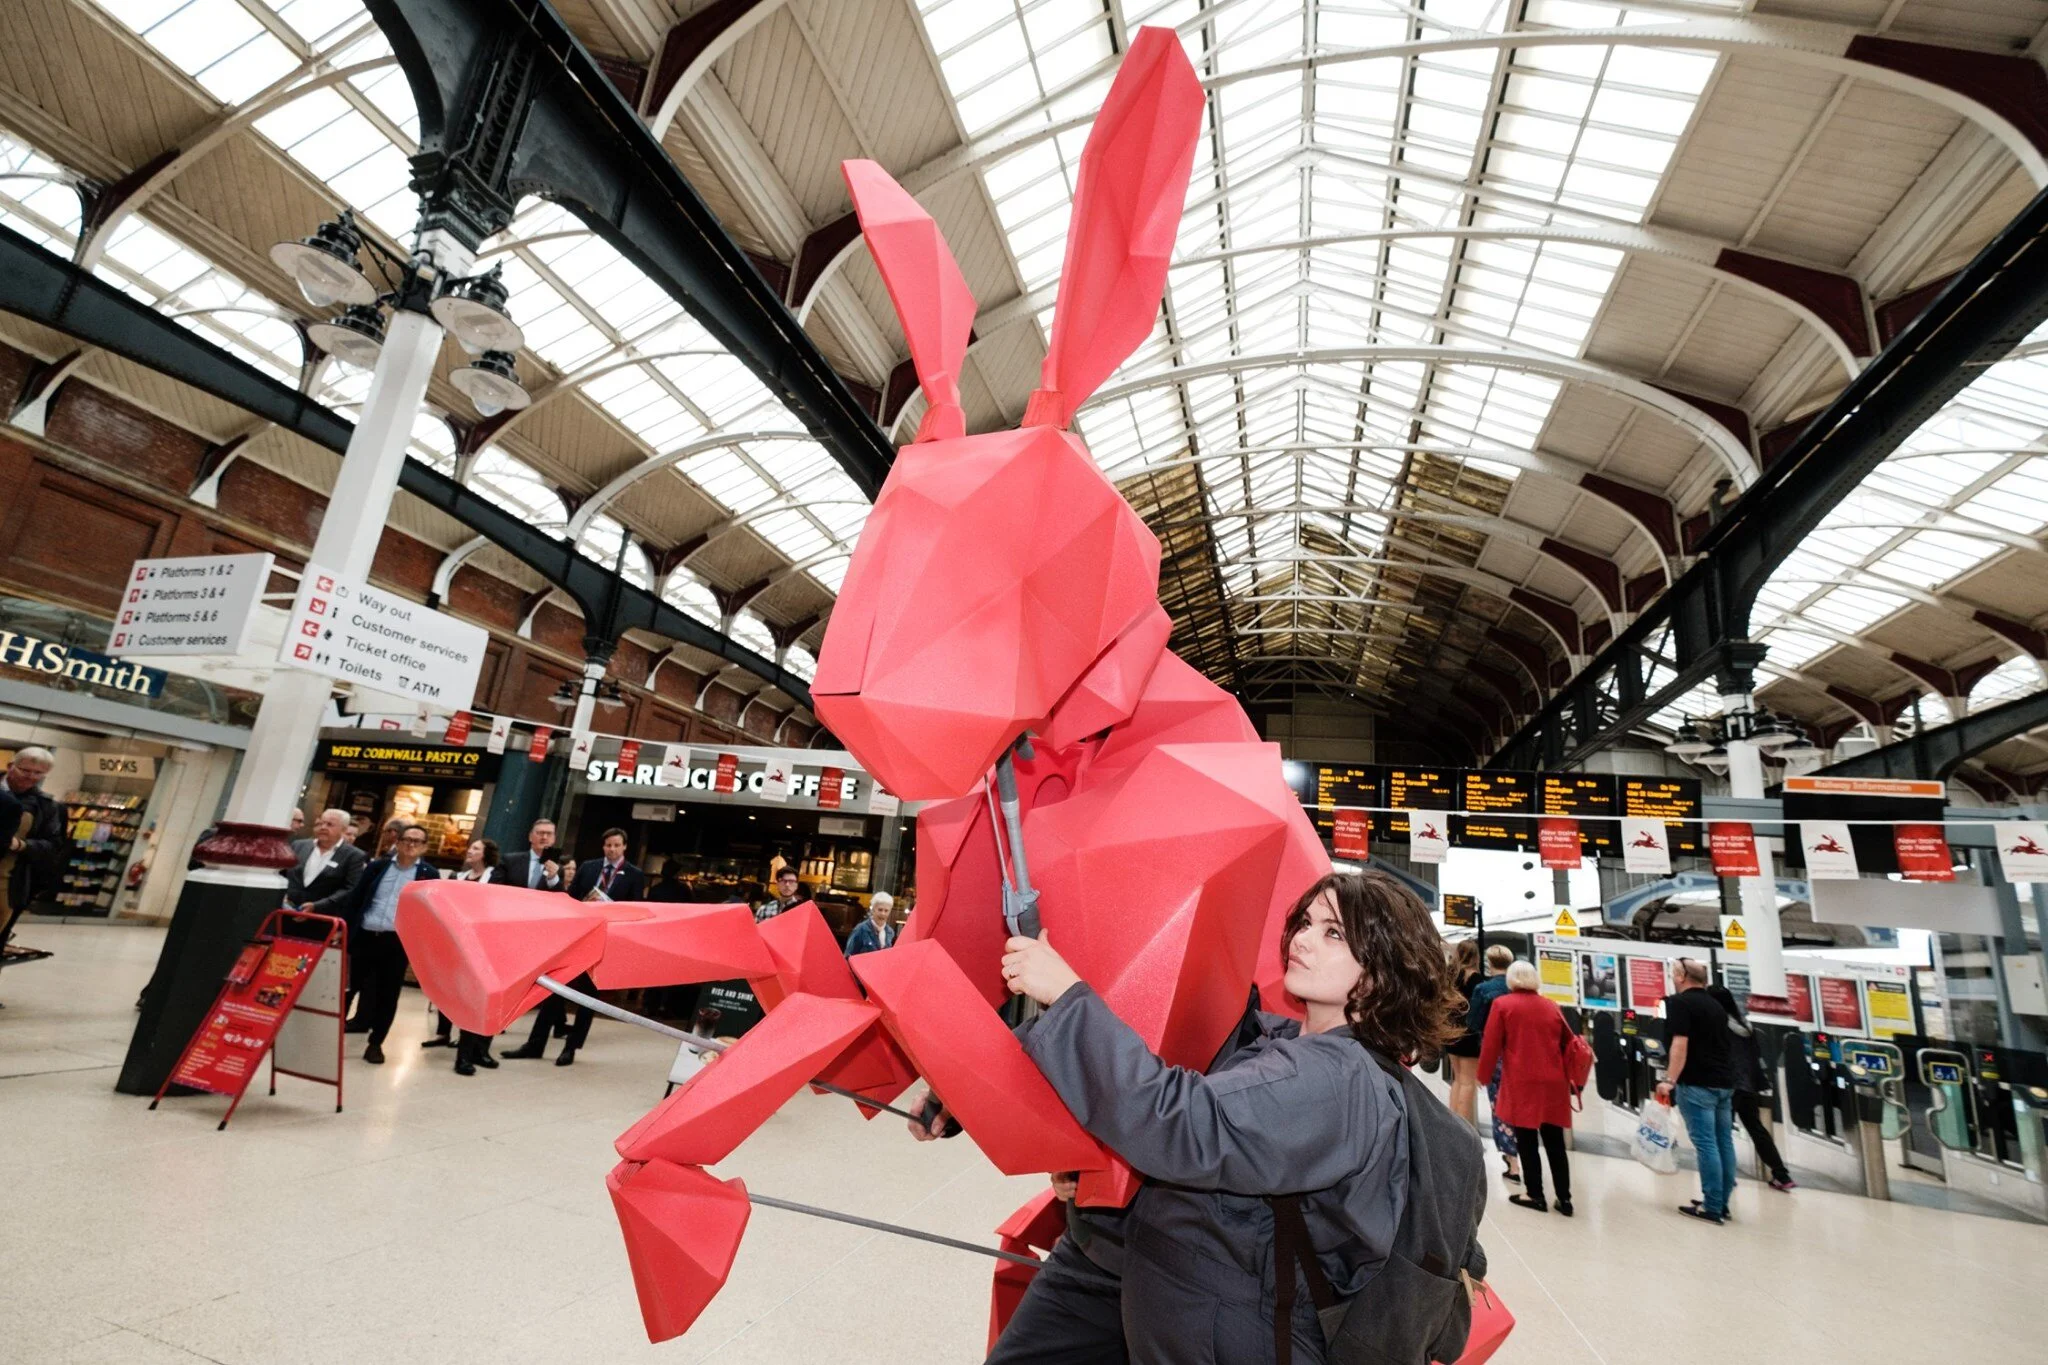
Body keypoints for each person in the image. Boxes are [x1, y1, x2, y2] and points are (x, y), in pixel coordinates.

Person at [990, 869, 1463, 1365]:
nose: (1302, 939)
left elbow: (1182, 1123)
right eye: (1306, 922)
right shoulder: (1290, 1041)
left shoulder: (1335, 1081)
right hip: (1169, 1296)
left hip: (1230, 1332)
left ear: (1382, 971)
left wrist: (1066, 998)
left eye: (1334, 933)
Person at [508, 829, 641, 1066]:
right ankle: (535, 1044)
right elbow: (571, 897)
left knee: (588, 996)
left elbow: (635, 908)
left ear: (624, 847)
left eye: (616, 845)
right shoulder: (589, 867)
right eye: (608, 845)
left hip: (606, 940)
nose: (612, 849)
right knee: (555, 991)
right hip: (579, 937)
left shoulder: (633, 874)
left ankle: (571, 1047)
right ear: (603, 846)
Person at [1477, 961, 1575, 1216]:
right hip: (1554, 1082)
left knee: (1527, 1139)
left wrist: (1484, 1075)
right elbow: (1568, 1042)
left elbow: (1491, 1044)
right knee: (1555, 1142)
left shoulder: (1504, 1005)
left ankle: (1535, 1193)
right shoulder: (1551, 1006)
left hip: (1523, 1081)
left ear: (1511, 980)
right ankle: (1564, 1199)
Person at [343, 823, 440, 1064]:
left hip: (396, 943)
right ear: (397, 842)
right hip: (365, 936)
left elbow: (430, 912)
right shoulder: (377, 867)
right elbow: (357, 899)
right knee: (347, 989)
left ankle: (376, 1043)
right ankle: (332, 1036)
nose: (410, 845)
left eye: (417, 841)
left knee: (388, 996)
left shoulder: (429, 874)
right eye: (407, 839)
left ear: (424, 847)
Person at [1658, 957, 1738, 1223]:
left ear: (1681, 976)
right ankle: (1721, 1200)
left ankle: (1712, 1205)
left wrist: (1669, 1079)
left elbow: (1680, 1045)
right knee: (1723, 1142)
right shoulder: (1715, 1005)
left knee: (1706, 1144)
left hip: (1697, 1082)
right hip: (1723, 1082)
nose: (1672, 977)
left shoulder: (1680, 1003)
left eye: (1673, 973)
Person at [1707, 983, 1795, 1192]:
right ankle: (1781, 1174)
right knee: (1756, 1129)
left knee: (1721, 1132)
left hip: (1728, 1083)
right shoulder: (1745, 1025)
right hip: (1748, 1085)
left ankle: (1725, 1175)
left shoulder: (1718, 1025)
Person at [429, 839, 502, 1075]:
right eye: (470, 847)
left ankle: (478, 1051)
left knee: (485, 1000)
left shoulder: (497, 878)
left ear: (486, 854)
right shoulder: (457, 878)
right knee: (467, 999)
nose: (470, 851)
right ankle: (464, 1055)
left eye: (476, 849)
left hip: (486, 947)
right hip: (459, 947)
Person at [1465, 945, 1521, 1184]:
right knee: (1521, 1105)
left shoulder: (1484, 989)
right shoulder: (1518, 989)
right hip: (1520, 1052)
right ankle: (1525, 1155)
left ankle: (1512, 1159)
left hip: (1494, 1053)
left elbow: (1473, 1021)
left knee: (1500, 1104)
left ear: (1489, 962)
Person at [3, 747, 64, 913]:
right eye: (25, 770)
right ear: (10, 766)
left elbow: (53, 845)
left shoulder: (46, 806)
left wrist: (21, 845)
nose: (30, 777)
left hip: (8, 878)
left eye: (38, 773)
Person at [284, 808, 367, 928]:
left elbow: (350, 888)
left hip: (321, 920)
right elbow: (283, 873)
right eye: (321, 823)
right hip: (285, 912)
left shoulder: (354, 855)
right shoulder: (299, 845)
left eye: (329, 824)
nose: (323, 827)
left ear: (343, 829)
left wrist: (317, 906)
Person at [1444, 939, 1484, 1125]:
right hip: (1470, 1035)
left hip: (1451, 1032)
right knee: (1468, 1082)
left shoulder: (1451, 976)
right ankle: (1464, 1126)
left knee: (1457, 1080)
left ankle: (1452, 1121)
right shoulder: (1477, 980)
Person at [499, 818, 564, 892]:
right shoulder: (510, 861)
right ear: (530, 837)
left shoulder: (558, 869)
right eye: (540, 833)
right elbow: (495, 887)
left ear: (554, 839)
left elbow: (560, 896)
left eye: (549, 834)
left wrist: (552, 878)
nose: (544, 837)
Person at [843, 892, 896, 957]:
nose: (883, 913)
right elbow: (848, 955)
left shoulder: (890, 932)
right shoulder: (860, 930)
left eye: (886, 910)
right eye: (880, 910)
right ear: (873, 909)